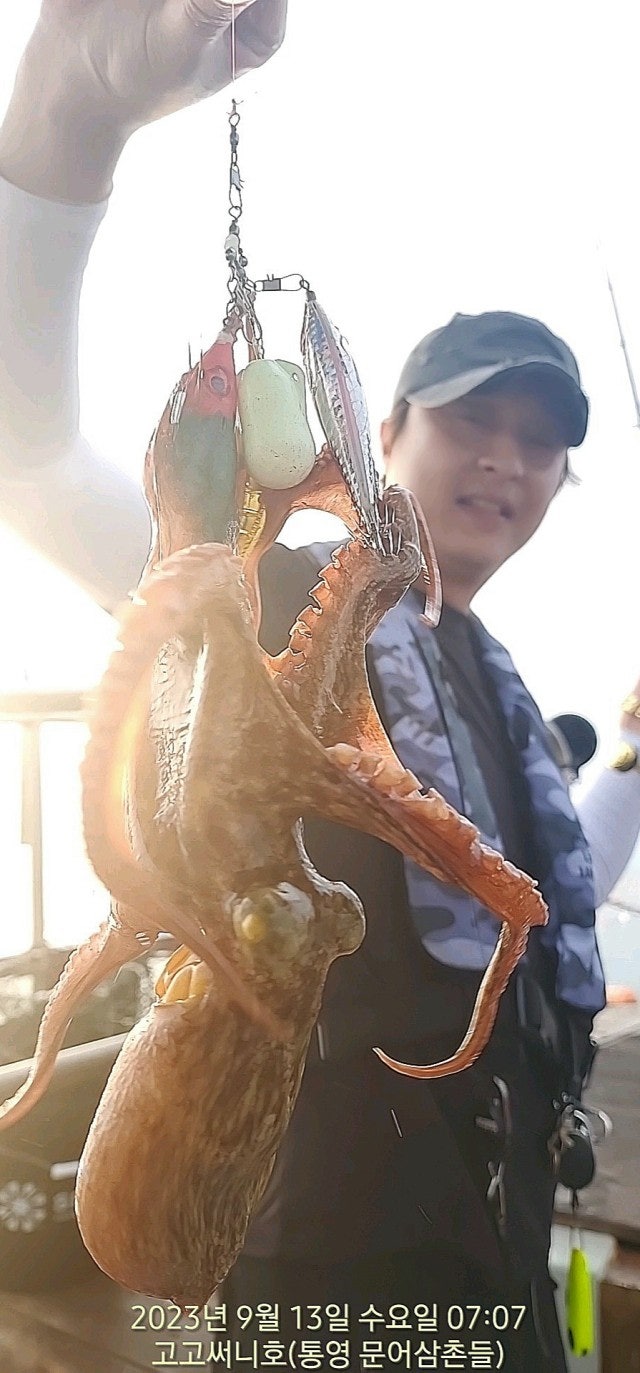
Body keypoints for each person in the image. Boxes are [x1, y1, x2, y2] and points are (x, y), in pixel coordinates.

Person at [2, 5, 640, 1370]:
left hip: (502, 1247)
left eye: (541, 442)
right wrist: (65, 124)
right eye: (472, 419)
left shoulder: (497, 683)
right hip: (321, 1273)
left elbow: (548, 881)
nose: (506, 460)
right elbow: (30, 458)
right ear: (381, 434)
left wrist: (631, 760)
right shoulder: (263, 594)